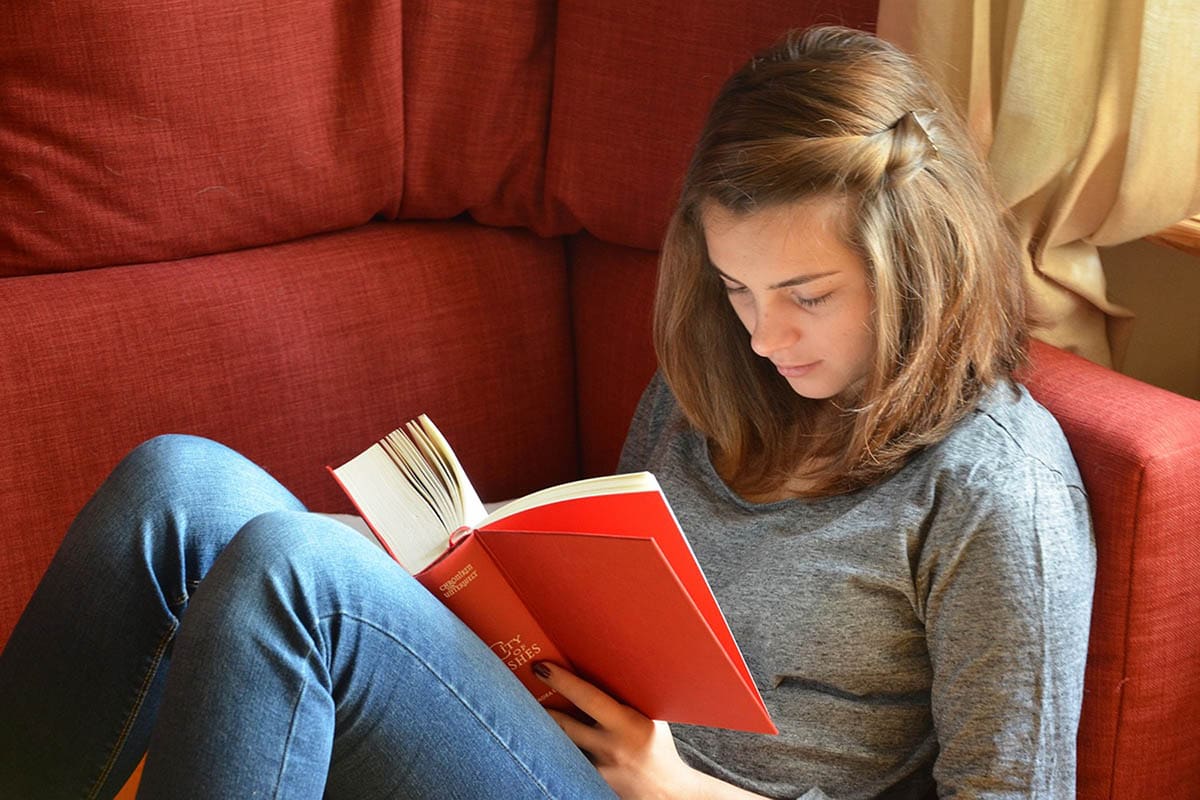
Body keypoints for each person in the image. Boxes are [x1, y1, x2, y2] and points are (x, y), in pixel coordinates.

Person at [0, 25, 1094, 800]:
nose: (765, 334)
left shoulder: (998, 487)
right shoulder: (719, 381)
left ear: (916, 262)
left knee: (295, 573)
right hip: (548, 748)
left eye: (806, 296)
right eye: (736, 288)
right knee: (178, 485)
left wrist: (678, 786)